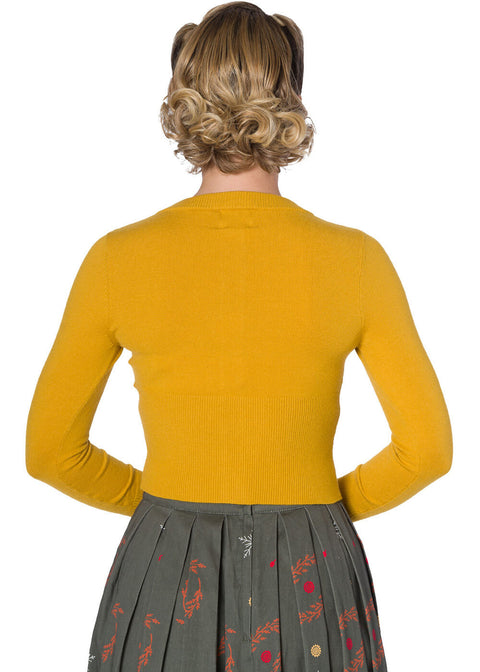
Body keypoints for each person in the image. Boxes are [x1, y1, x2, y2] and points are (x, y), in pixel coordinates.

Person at [25, 2, 453, 671]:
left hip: (165, 570)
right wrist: (326, 510)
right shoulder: (356, 261)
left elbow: (50, 452)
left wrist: (158, 503)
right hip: (312, 569)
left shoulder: (117, 259)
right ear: (291, 96)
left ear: (182, 94)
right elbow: (427, 450)